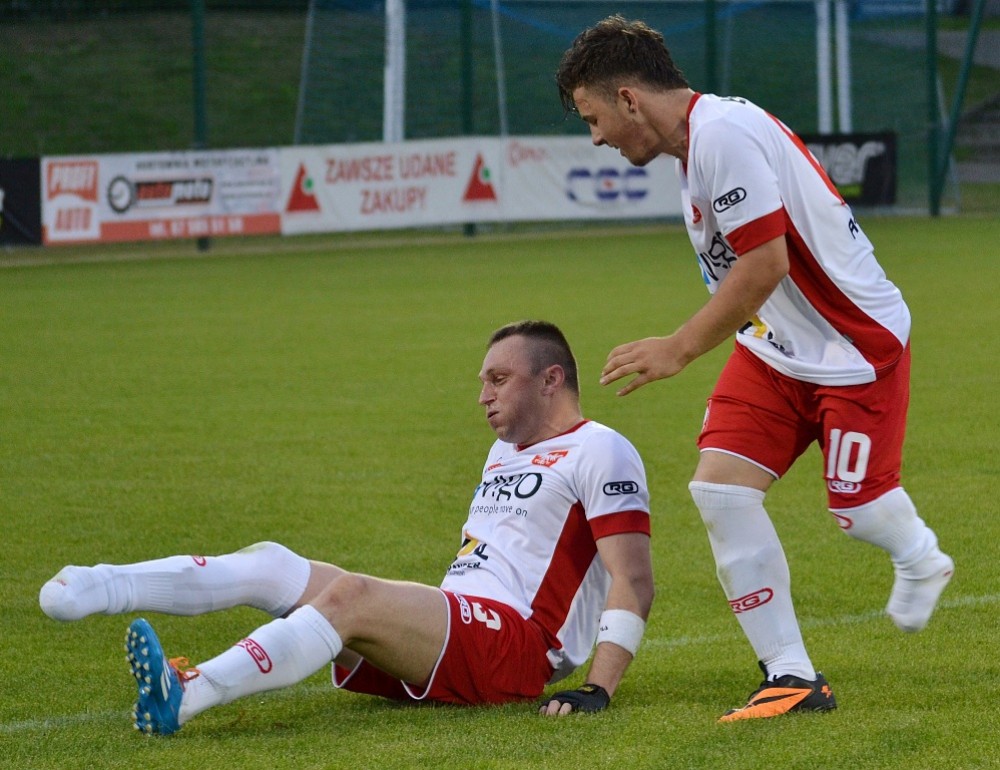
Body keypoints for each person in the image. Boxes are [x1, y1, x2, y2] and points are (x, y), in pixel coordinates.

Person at [556, 16, 953, 722]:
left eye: (593, 119)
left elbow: (766, 263)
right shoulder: (694, 147)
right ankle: (790, 675)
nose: (596, 138)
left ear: (628, 99)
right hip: (774, 348)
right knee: (720, 492)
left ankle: (920, 555)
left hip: (853, 348)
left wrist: (678, 347)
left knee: (860, 513)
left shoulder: (723, 135)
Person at [39, 320, 655, 734]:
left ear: (551, 380)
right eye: (482, 382)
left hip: (518, 646)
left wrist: (597, 688)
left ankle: (188, 694)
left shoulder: (601, 449)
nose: (483, 396)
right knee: (272, 562)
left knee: (350, 595)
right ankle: (101, 584)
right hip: (455, 627)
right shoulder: (504, 452)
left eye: (499, 380)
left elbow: (633, 579)